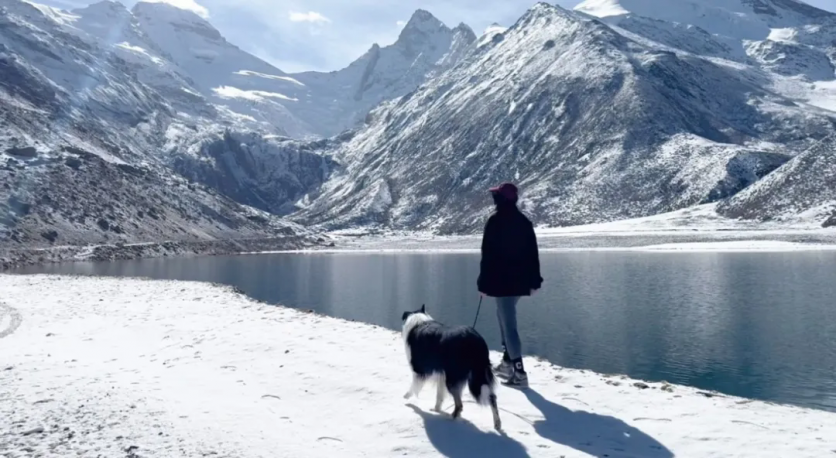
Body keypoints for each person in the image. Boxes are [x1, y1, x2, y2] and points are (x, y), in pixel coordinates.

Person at [477, 182, 543, 388]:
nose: (493, 198)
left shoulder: (495, 221)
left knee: (509, 324)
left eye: (496, 195)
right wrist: (535, 281)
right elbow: (533, 254)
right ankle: (507, 363)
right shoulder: (524, 221)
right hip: (520, 282)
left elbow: (487, 256)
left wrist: (483, 283)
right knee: (503, 316)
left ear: (502, 199)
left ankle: (520, 373)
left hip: (502, 283)